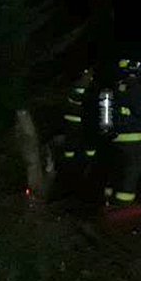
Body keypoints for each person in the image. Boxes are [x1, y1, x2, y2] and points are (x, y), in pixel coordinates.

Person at [105, 58, 141, 206]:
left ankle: (107, 201)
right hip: (135, 140)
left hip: (116, 139)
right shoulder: (135, 87)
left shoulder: (112, 88)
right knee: (131, 174)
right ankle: (123, 206)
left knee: (116, 171)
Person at [57, 67, 99, 199]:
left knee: (71, 143)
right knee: (87, 143)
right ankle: (88, 164)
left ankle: (69, 164)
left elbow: (69, 100)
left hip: (72, 120)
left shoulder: (76, 84)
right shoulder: (90, 86)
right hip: (82, 120)